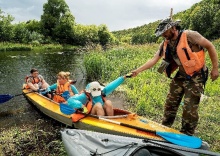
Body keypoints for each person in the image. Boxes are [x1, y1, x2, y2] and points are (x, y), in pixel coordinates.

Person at [131, 18, 219, 136]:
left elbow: (210, 46)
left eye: (165, 32)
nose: (163, 35)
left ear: (173, 28)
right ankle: (165, 127)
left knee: (189, 107)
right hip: (181, 75)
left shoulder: (190, 35)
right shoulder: (165, 43)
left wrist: (215, 68)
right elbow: (154, 60)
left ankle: (187, 134)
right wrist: (137, 71)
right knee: (170, 102)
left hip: (196, 75)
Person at [66, 74, 131, 116]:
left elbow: (112, 85)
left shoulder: (102, 91)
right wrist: (81, 106)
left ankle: (111, 119)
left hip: (102, 113)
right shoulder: (84, 96)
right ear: (89, 91)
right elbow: (70, 100)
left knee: (108, 102)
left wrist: (124, 77)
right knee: (98, 105)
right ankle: (102, 123)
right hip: (92, 114)